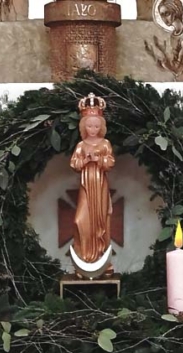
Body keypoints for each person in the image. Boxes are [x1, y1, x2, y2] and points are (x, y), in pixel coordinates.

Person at [70, 93, 115, 278]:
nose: (93, 129)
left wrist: (99, 160)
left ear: (101, 127)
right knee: (80, 220)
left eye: (96, 126)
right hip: (86, 186)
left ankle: (102, 259)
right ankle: (84, 258)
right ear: (84, 126)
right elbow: (74, 163)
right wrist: (85, 160)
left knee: (101, 220)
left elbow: (110, 162)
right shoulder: (81, 145)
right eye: (89, 126)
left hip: (100, 185)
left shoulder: (105, 144)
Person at [144, 0, 183, 82]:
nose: (164, 18)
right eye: (161, 15)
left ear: (176, 12)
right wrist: (153, 54)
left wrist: (163, 54)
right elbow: (170, 66)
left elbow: (177, 68)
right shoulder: (175, 34)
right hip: (178, 81)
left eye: (167, 13)